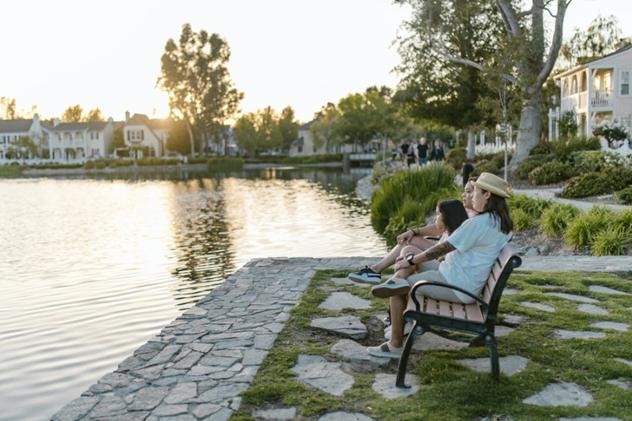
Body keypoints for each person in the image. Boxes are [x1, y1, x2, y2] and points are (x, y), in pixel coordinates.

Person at [367, 172, 513, 358]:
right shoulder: (500, 222)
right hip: (456, 276)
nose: (472, 195)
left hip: (457, 286)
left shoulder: (478, 223)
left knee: (400, 288)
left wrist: (412, 261)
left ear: (487, 195)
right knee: (408, 251)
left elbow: (441, 249)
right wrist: (411, 258)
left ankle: (395, 344)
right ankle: (398, 283)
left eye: (475, 191)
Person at [348, 180, 479, 284]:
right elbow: (440, 226)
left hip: (447, 262)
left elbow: (451, 245)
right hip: (444, 253)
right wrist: (414, 231)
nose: (463, 194)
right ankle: (381, 275)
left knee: (408, 252)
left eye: (468, 191)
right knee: (409, 246)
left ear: (478, 194)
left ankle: (379, 274)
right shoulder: (468, 211)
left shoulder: (474, 220)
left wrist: (410, 259)